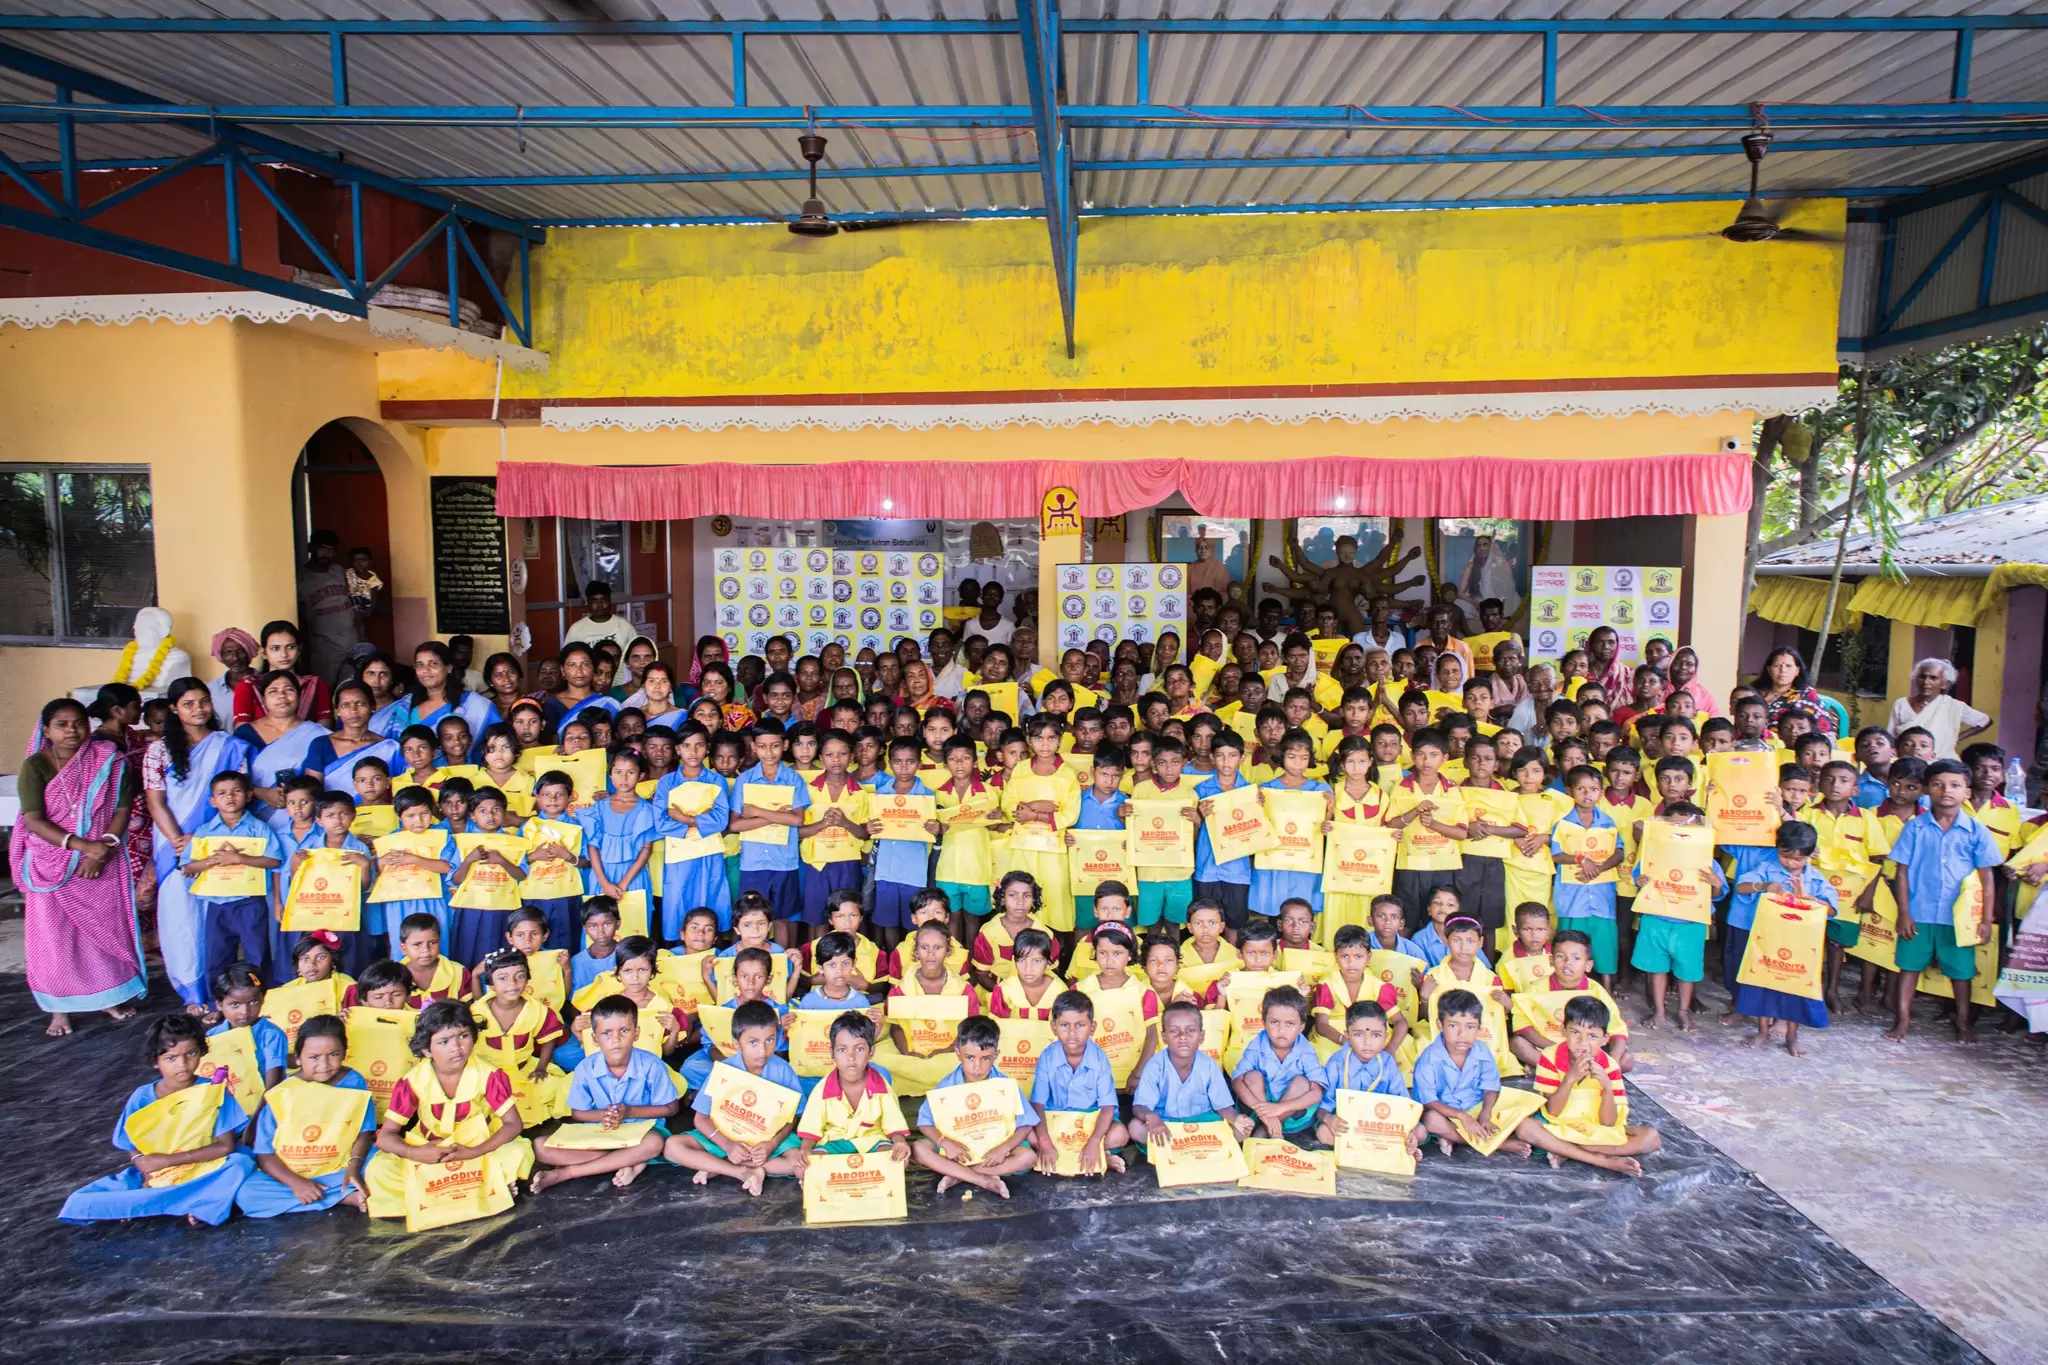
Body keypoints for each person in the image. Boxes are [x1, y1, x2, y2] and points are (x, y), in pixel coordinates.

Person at [15, 697, 147, 1037]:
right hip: (51, 862)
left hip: (101, 859)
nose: (72, 730)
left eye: (78, 723)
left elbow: (122, 809)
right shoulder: (36, 766)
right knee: (53, 937)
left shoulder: (108, 759)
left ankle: (107, 997)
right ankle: (59, 1009)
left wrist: (103, 848)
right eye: (62, 724)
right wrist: (82, 846)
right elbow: (33, 819)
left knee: (101, 932)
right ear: (46, 730)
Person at [58, 1014, 255, 1225]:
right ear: (155, 1061)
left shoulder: (214, 1091)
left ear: (201, 1052)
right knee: (80, 1201)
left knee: (241, 1163)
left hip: (205, 1165)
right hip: (160, 1171)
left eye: (191, 1053)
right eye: (171, 1058)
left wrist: (169, 1160)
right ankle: (197, 1201)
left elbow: (225, 1146)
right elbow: (131, 1144)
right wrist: (145, 1168)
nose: (183, 1064)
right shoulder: (142, 1097)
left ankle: (151, 1203)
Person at [361, 999, 534, 1220]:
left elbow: (513, 1124)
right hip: (428, 1152)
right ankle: (487, 1189)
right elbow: (386, 1136)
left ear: (474, 1037)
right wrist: (416, 1153)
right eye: (444, 1041)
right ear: (426, 1050)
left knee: (519, 1152)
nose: (456, 1047)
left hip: (478, 1147)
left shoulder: (489, 1075)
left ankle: (432, 1196)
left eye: (463, 1036)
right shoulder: (412, 1081)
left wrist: (474, 1151)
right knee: (379, 1169)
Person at [1885, 758, 2005, 1046]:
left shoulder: (1976, 831)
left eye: (1954, 785)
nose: (1946, 791)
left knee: (1961, 973)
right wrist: (1904, 912)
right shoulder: (1915, 828)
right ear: (1928, 790)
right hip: (1919, 912)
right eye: (1938, 784)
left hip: (1959, 918)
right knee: (1909, 967)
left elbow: (1987, 878)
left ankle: (1963, 1023)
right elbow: (1902, 872)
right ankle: (1902, 1021)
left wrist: (1985, 919)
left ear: (1967, 791)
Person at [529, 994, 678, 1194]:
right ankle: (629, 1160)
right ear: (594, 1038)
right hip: (601, 1133)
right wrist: (603, 1116)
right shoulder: (585, 1068)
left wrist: (629, 1112)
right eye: (606, 1033)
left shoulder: (652, 1064)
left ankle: (567, 1173)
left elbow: (671, 1108)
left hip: (641, 1133)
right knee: (541, 1146)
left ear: (636, 1033)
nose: (616, 1039)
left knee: (654, 1143)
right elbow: (578, 1113)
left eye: (624, 1030)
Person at [234, 1015, 378, 1217]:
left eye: (333, 1054)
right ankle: (342, 1197)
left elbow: (364, 1131)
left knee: (380, 1166)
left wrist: (354, 1168)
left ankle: (328, 1193)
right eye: (314, 1057)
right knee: (247, 1194)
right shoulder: (281, 1093)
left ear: (345, 1053)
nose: (324, 1064)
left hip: (339, 1167)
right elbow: (264, 1154)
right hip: (293, 1171)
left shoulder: (353, 1081)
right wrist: (297, 1184)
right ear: (298, 1058)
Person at [665, 999, 805, 1195]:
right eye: (753, 1042)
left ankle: (718, 1166)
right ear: (736, 1043)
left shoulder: (783, 1070)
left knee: (800, 1161)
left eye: (770, 1040)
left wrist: (771, 1144)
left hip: (765, 1139)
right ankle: (742, 1171)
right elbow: (701, 1118)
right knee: (672, 1147)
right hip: (725, 1135)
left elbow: (793, 1117)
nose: (763, 1050)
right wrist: (728, 1145)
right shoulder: (724, 1070)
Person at [1512, 996, 1660, 1176]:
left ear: (1605, 1039)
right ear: (1563, 1030)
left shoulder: (1610, 1066)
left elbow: (1608, 1123)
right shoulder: (1550, 1058)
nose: (1582, 1042)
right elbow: (1553, 1112)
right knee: (1525, 1127)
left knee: (1651, 1138)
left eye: (1592, 1036)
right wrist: (1569, 1079)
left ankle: (1565, 1150)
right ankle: (1603, 1160)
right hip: (1559, 1124)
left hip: (1595, 1129)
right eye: (1575, 1032)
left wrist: (1607, 1088)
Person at [912, 1014, 1042, 1198]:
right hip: (959, 1151)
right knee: (919, 1149)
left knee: (1028, 1157)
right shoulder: (946, 1086)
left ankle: (959, 1175)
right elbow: (925, 1122)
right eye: (970, 1057)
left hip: (994, 1150)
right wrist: (945, 1143)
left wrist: (1004, 1148)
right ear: (958, 1053)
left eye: (986, 1058)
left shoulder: (1006, 1085)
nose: (977, 1067)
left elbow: (1025, 1124)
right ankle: (982, 1179)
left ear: (996, 1055)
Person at [1030, 991, 1130, 1176]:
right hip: (1056, 1124)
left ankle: (1093, 1152)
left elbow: (1107, 1107)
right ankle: (1101, 1157)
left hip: (1089, 1124)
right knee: (1028, 1132)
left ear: (1092, 1028)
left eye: (1080, 1025)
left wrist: (1094, 1140)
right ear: (1053, 1027)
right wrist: (1044, 1140)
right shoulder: (1047, 1056)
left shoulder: (1099, 1059)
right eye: (1064, 1025)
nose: (1072, 1032)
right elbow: (1037, 1104)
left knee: (1120, 1134)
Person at [1228, 985, 1325, 1139]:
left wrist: (1280, 1108)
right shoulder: (1257, 1044)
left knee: (1301, 1083)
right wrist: (1265, 1114)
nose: (1281, 1030)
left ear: (1301, 1026)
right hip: (1259, 1110)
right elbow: (1237, 1081)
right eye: (1274, 1022)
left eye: (1290, 1024)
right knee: (1252, 1076)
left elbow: (1316, 1093)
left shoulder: (1306, 1051)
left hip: (1290, 1115)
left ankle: (1265, 1130)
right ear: (1264, 1022)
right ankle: (1269, 1127)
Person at [1889, 658, 1992, 761]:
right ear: (1916, 679)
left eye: (1933, 678)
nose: (1926, 682)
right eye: (1922, 677)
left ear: (1944, 684)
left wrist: (1957, 738)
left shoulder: (1953, 706)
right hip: (1908, 763)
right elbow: (1891, 736)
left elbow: (1985, 721)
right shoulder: (1901, 703)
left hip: (1943, 763)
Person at [297, 530, 361, 686]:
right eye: (322, 548)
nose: (326, 554)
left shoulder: (338, 571)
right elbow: (301, 617)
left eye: (331, 550)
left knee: (353, 687)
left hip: (352, 644)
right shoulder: (300, 578)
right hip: (325, 650)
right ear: (311, 548)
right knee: (327, 689)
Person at [563, 580, 640, 655]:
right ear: (588, 603)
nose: (599, 605)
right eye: (594, 601)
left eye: (603, 600)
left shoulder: (624, 626)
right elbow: (566, 656)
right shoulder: (576, 629)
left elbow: (637, 653)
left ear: (610, 601)